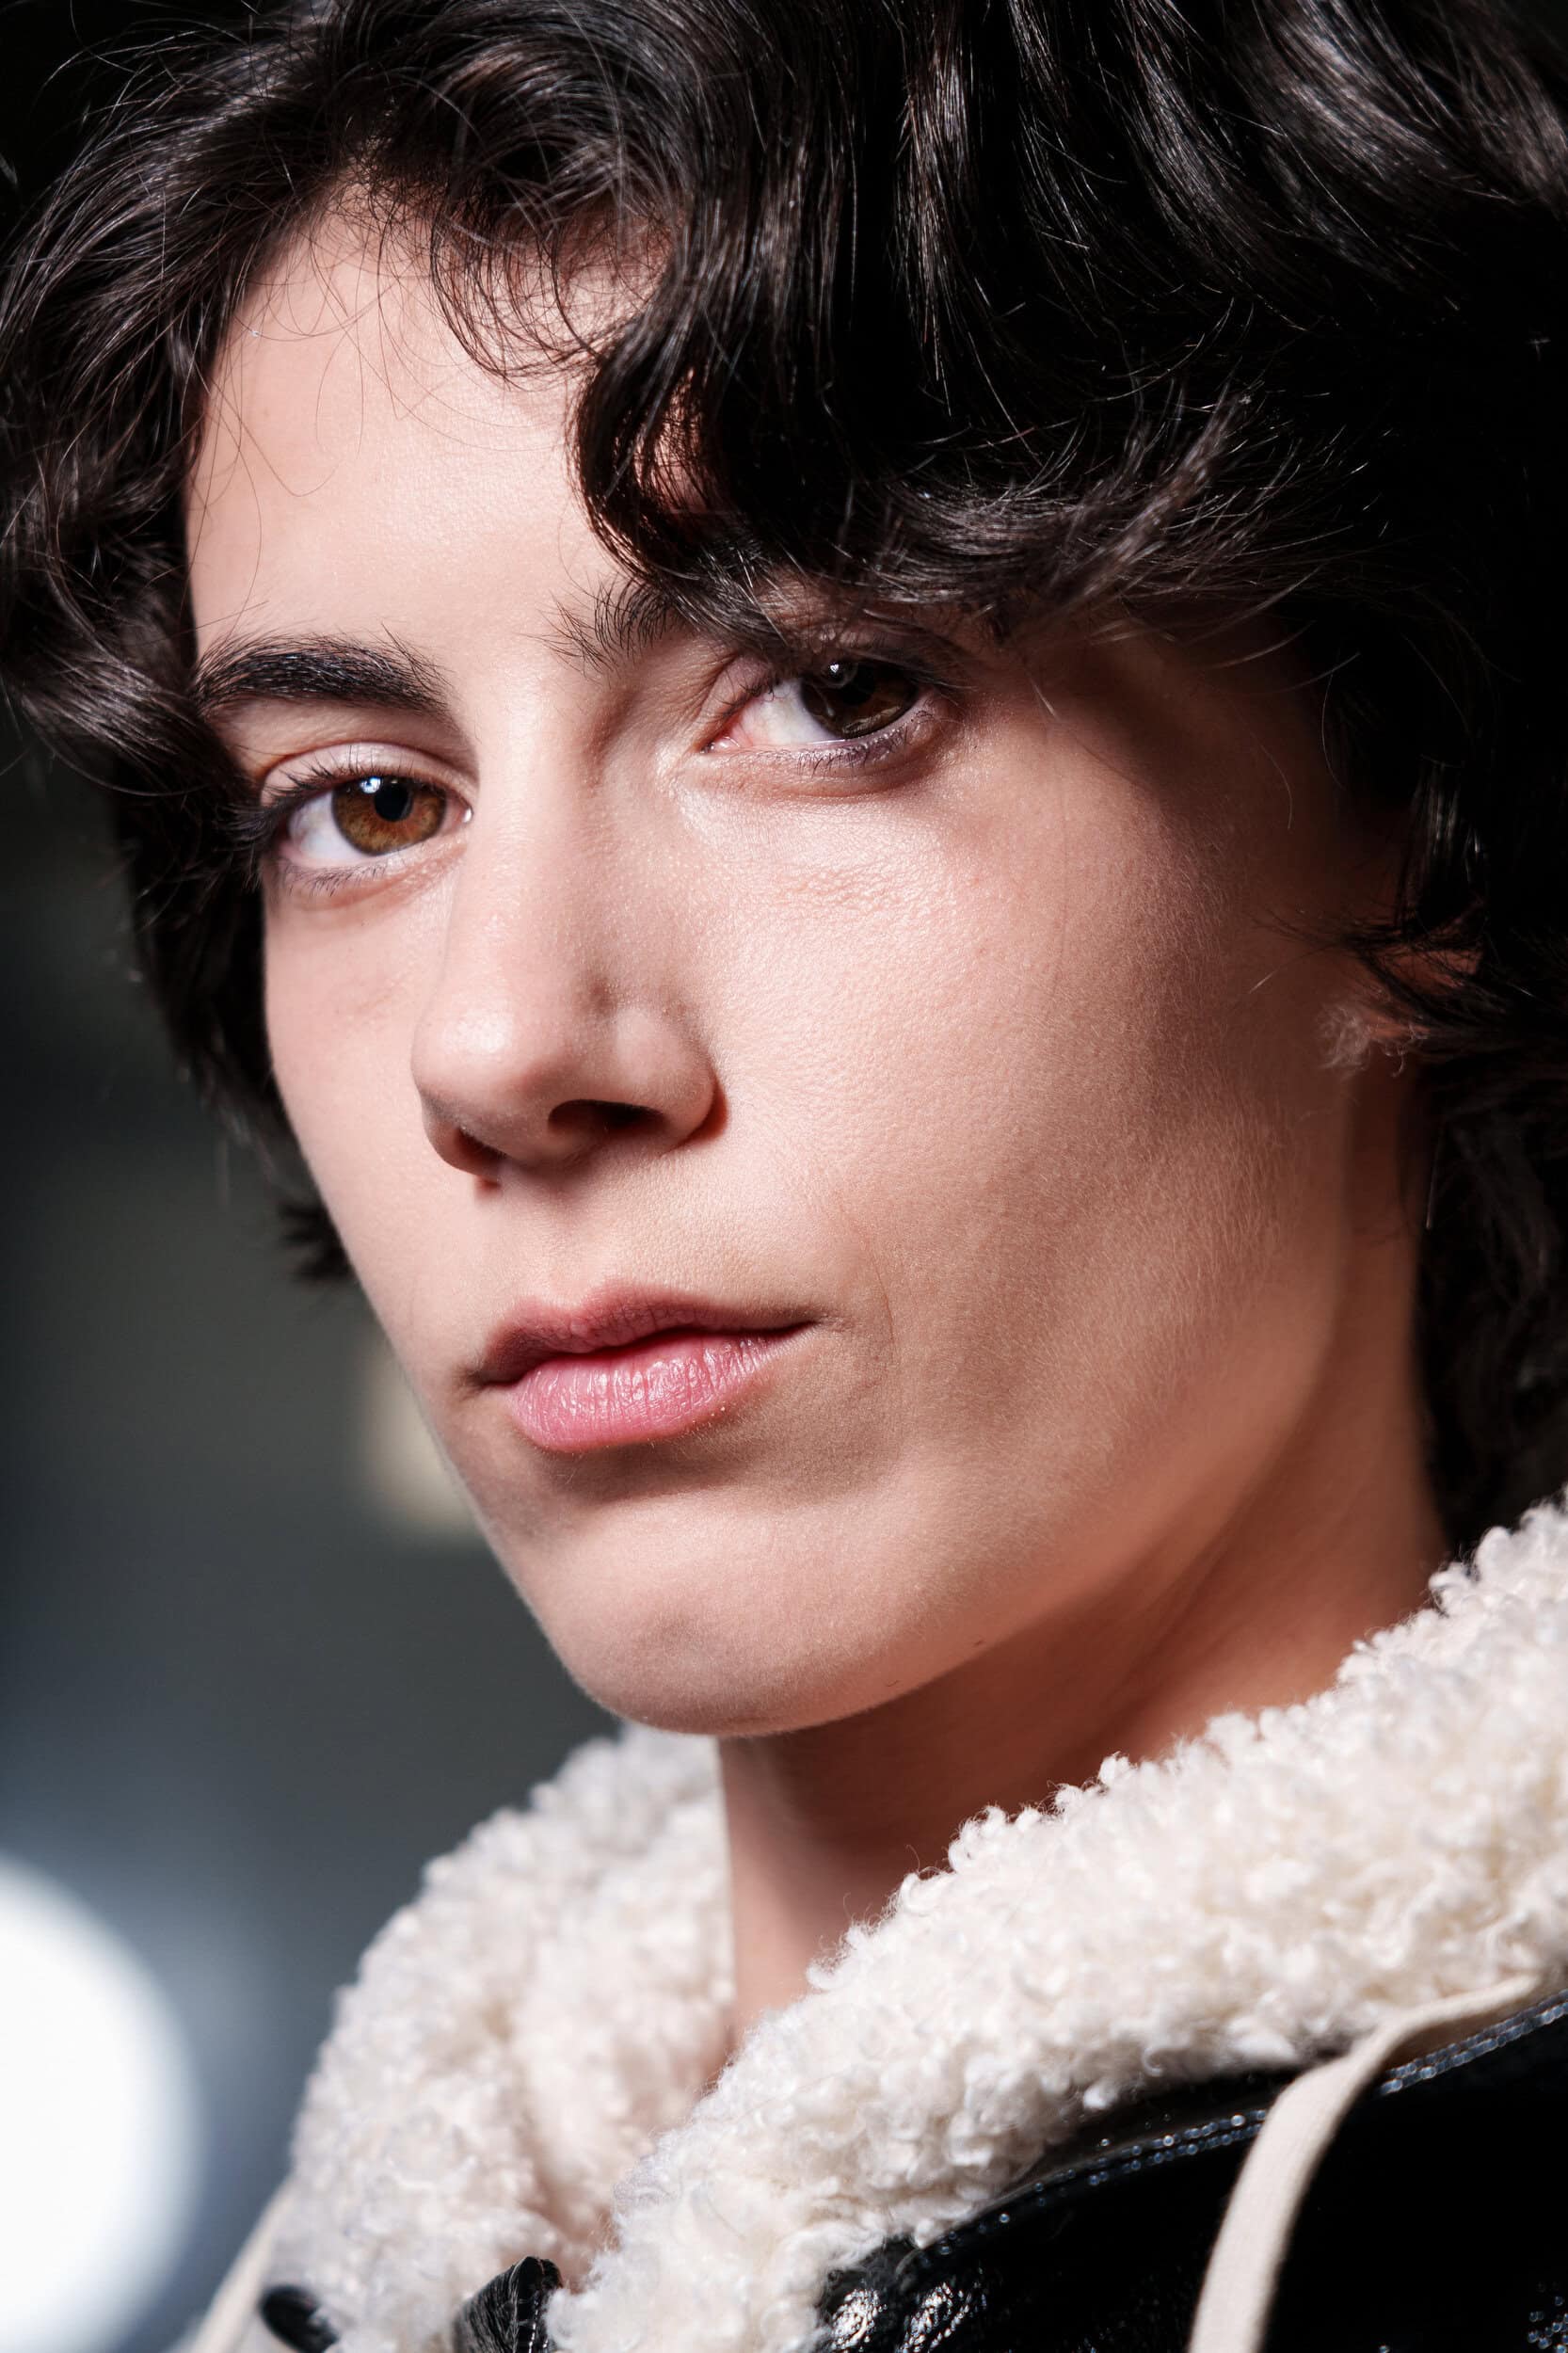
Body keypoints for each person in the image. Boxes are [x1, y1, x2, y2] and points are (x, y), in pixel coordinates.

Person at [6, 0, 1568, 2345]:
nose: (499, 1046)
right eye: (366, 802)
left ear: (1424, 804)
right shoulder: (349, 2264)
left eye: (833, 693)